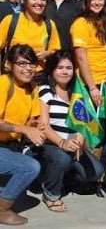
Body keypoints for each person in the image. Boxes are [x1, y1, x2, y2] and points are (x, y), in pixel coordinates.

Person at [37, 50, 104, 212]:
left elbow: (83, 122)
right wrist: (62, 142)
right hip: (49, 143)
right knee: (62, 159)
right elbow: (44, 126)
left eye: (69, 67)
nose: (65, 71)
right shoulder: (45, 91)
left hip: (72, 145)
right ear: (52, 70)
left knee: (96, 172)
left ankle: (61, 179)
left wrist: (79, 138)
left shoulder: (77, 92)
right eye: (60, 68)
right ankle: (51, 194)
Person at [0, 44, 43, 225]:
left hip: (11, 148)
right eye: (22, 63)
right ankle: (2, 211)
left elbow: (31, 121)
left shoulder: (32, 88)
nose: (28, 69)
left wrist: (34, 125)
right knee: (30, 167)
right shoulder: (3, 84)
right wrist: (24, 129)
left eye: (31, 64)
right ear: (9, 65)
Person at [0, 0, 60, 80]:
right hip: (12, 77)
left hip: (38, 78)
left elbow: (55, 49)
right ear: (24, 0)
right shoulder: (10, 21)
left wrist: (47, 53)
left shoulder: (49, 24)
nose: (39, 2)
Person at [70, 0, 106, 107]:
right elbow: (81, 58)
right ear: (86, 0)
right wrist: (92, 88)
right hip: (91, 84)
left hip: (105, 80)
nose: (97, 2)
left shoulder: (101, 21)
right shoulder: (80, 24)